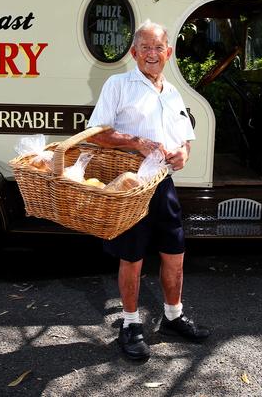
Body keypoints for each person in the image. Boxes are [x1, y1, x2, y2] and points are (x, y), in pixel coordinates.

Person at [88, 19, 209, 360]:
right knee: (133, 257)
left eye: (158, 48)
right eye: (145, 48)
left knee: (175, 253)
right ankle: (129, 324)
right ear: (134, 52)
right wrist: (135, 142)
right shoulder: (119, 84)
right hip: (130, 185)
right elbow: (96, 132)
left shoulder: (171, 92)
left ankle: (173, 317)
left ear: (168, 52)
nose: (152, 54)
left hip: (163, 183)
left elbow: (184, 139)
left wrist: (183, 153)